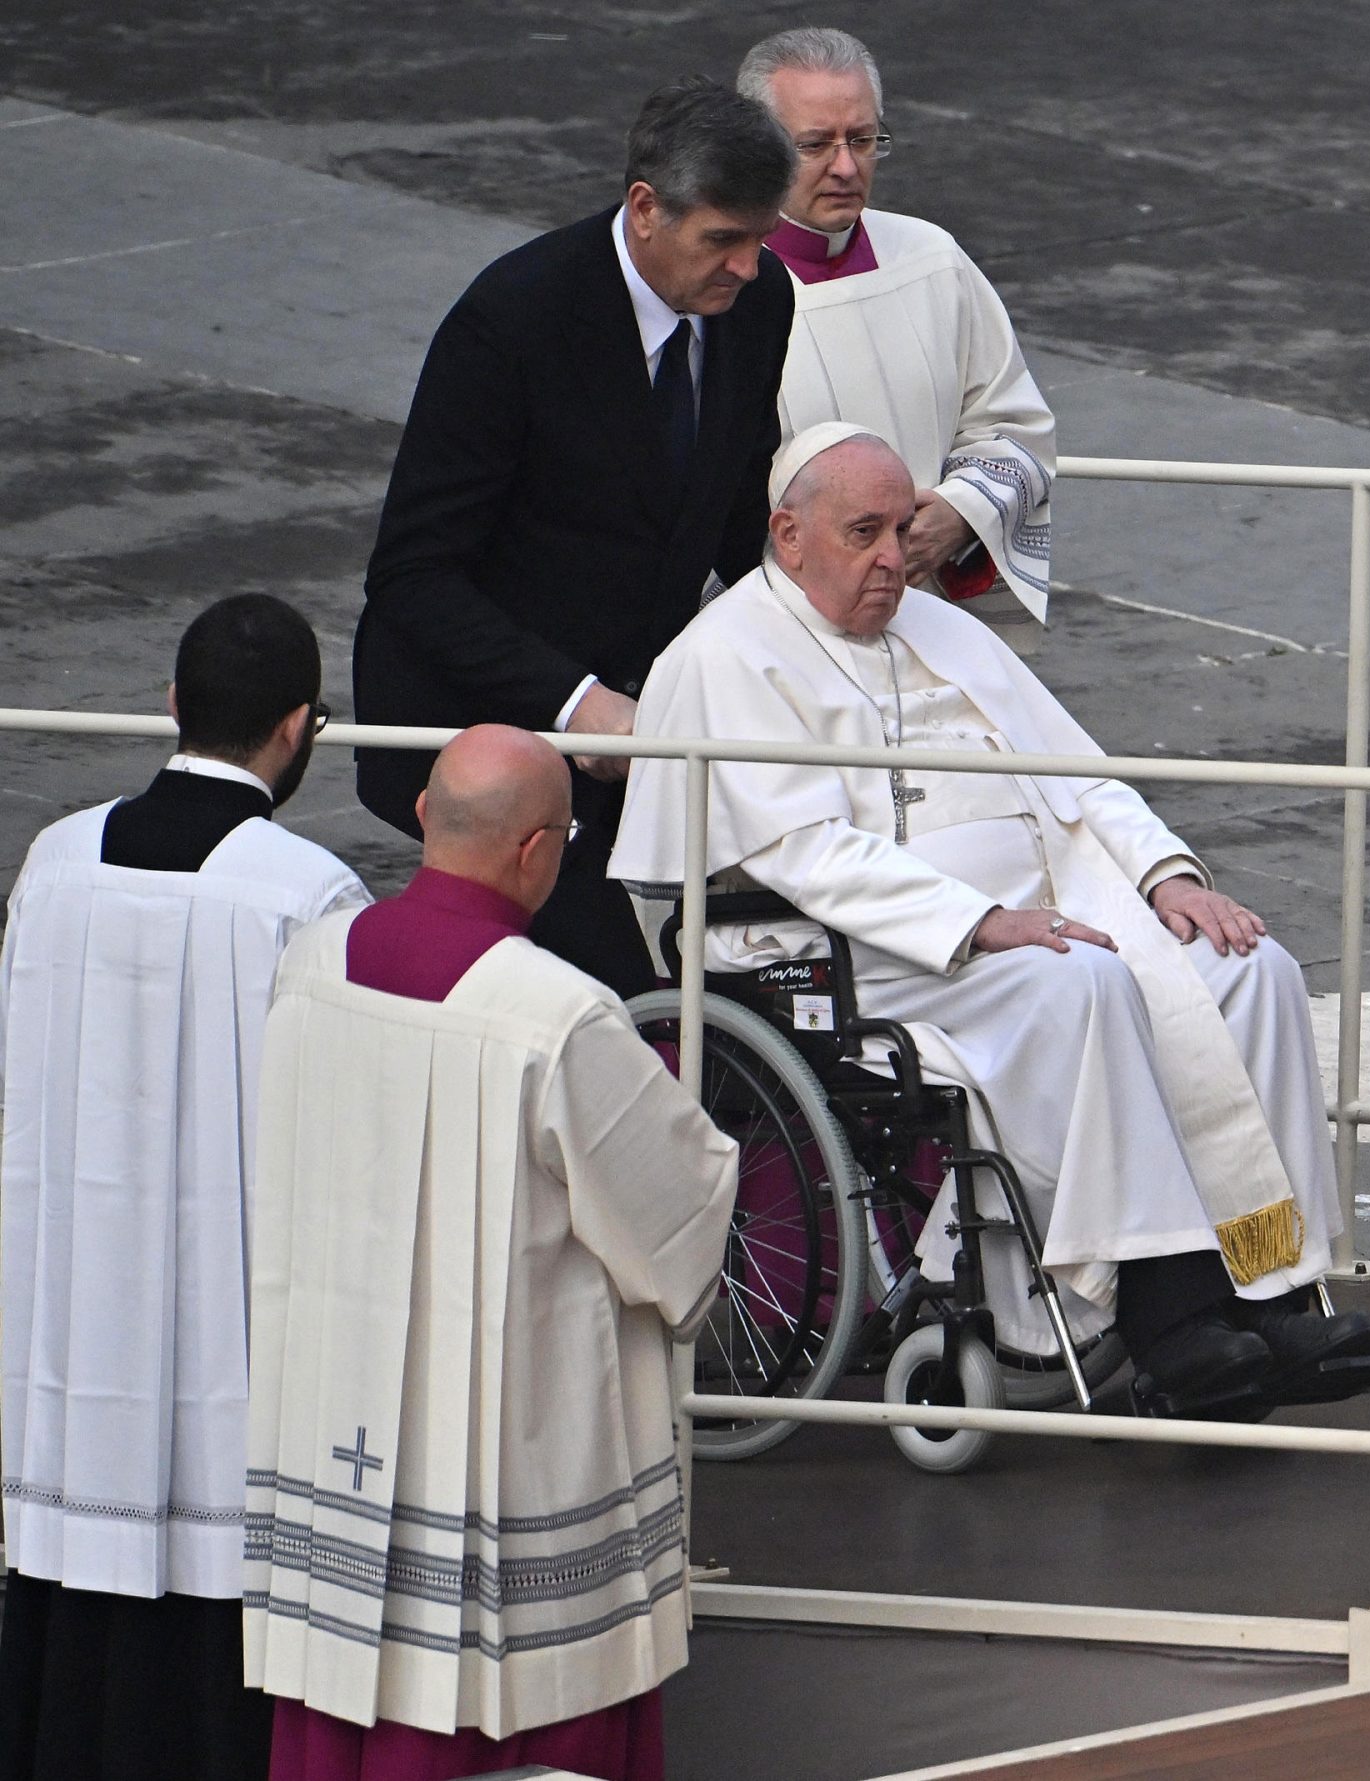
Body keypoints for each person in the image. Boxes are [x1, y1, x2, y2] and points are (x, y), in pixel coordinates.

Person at [611, 424, 1370, 1404]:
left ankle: (1276, 1289)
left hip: (1032, 914)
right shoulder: (725, 658)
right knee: (1084, 983)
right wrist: (977, 919)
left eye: (902, 528)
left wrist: (1165, 879)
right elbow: (799, 852)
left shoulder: (938, 627)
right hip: (843, 950)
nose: (896, 558)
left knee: (1247, 969)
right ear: (788, 531)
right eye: (865, 532)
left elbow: (1075, 770)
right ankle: (1170, 1316)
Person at [245, 726, 740, 1781]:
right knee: (505, 1696)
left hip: (340, 1410)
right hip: (506, 1456)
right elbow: (679, 1217)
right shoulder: (555, 1015)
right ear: (538, 853)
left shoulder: (309, 961)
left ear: (424, 817)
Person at [0, 596, 365, 1781]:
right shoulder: (306, 894)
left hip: (70, 1293)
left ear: (171, 705)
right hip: (225, 1309)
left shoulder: (54, 860)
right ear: (300, 728)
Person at [354, 76, 798, 996]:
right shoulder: (512, 321)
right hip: (485, 721)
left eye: (762, 238)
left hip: (641, 724)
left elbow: (732, 506)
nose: (750, 267)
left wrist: (822, 600)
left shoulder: (759, 302)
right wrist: (573, 700)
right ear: (645, 209)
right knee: (622, 996)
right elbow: (414, 574)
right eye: (724, 239)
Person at [737, 27, 1055, 641]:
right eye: (815, 144)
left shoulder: (932, 259)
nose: (846, 167)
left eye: (863, 139)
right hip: (780, 624)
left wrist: (963, 513)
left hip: (930, 612)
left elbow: (1014, 425)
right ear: (756, 146)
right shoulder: (721, 286)